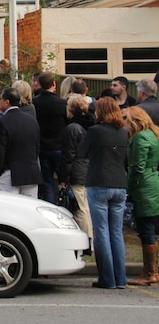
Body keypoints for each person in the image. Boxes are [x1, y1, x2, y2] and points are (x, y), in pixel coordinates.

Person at [77, 97, 128, 289]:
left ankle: (107, 278)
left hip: (98, 181)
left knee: (102, 232)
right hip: (119, 183)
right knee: (116, 232)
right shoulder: (123, 132)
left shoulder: (95, 131)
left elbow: (81, 152)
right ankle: (120, 278)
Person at [122, 106, 159, 286]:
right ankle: (154, 271)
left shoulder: (140, 137)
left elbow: (137, 167)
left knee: (147, 230)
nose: (123, 123)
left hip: (144, 186)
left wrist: (129, 187)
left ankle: (149, 273)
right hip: (153, 183)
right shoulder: (152, 134)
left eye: (125, 119)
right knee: (152, 227)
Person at [0, 88, 42, 197]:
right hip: (31, 172)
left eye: (0, 99)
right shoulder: (32, 120)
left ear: (7, 102)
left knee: (8, 209)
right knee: (29, 209)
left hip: (9, 173)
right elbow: (37, 147)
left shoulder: (2, 122)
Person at [59, 94, 95, 254]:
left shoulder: (72, 128)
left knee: (80, 209)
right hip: (87, 169)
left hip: (77, 172)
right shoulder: (88, 125)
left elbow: (69, 155)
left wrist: (64, 177)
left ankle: (87, 242)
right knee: (84, 207)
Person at [33, 72, 68, 203]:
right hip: (58, 146)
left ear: (39, 84)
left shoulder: (35, 103)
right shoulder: (61, 103)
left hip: (42, 146)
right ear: (54, 84)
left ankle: (51, 208)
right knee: (64, 181)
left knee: (47, 183)